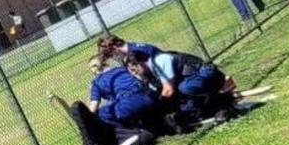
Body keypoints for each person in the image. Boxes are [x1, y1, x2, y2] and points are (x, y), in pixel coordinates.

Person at [98, 35, 235, 127]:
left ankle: (221, 94)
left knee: (184, 89)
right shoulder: (131, 55)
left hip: (192, 75)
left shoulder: (141, 53)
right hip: (174, 79)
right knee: (184, 105)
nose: (113, 58)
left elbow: (166, 84)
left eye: (111, 54)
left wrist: (160, 103)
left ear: (114, 48)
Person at [69, 58, 160, 145]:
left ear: (95, 69)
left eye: (92, 66)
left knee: (101, 114)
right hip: (148, 97)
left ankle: (122, 140)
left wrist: (84, 121)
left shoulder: (97, 82)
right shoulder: (123, 69)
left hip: (127, 104)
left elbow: (93, 108)